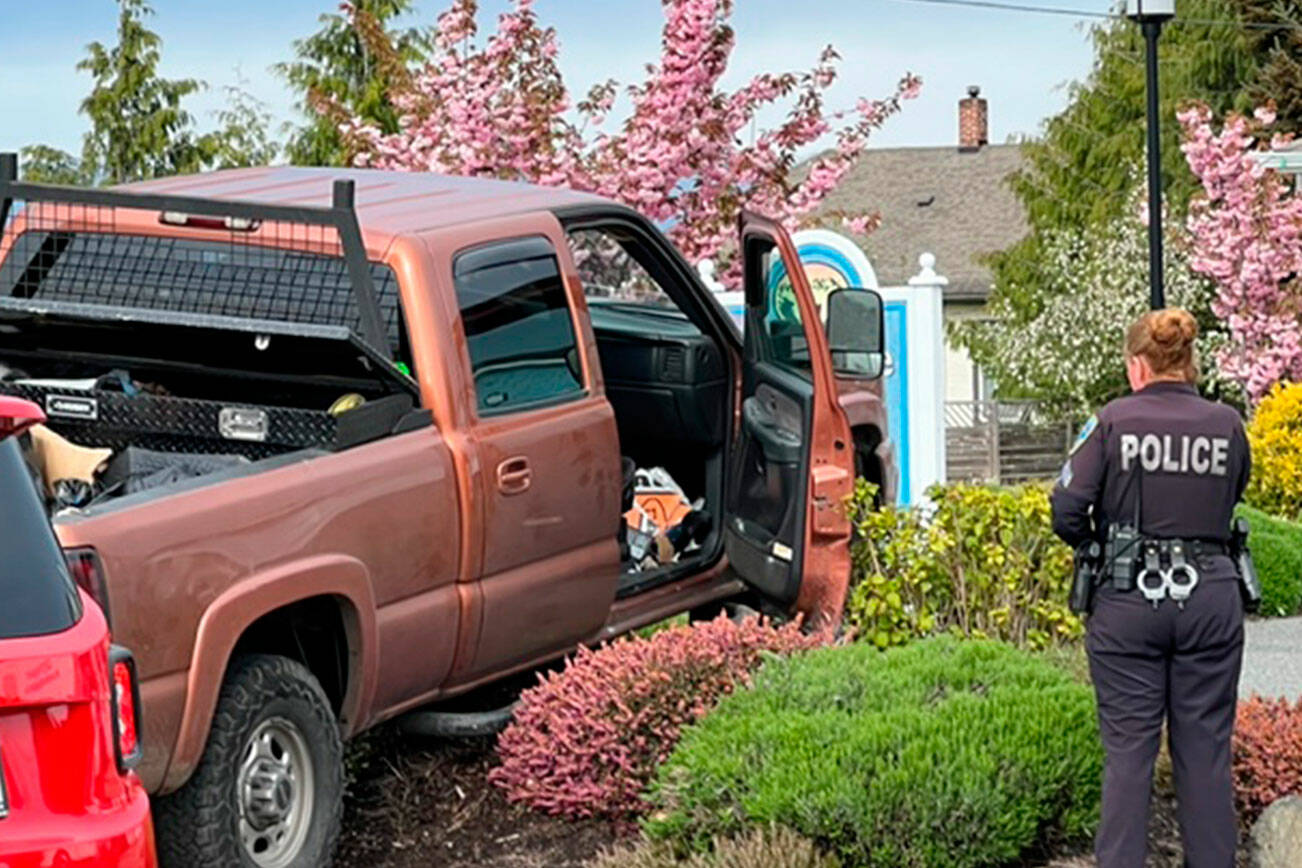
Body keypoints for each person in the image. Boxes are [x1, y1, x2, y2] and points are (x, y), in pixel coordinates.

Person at [1050, 308, 1250, 868]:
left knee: (1130, 755)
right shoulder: (1227, 424)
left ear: (1138, 365)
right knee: (1206, 753)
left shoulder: (1112, 421)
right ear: (1190, 364)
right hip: (1210, 594)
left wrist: (1097, 545)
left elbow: (1066, 507)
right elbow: (1235, 492)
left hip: (1128, 598)